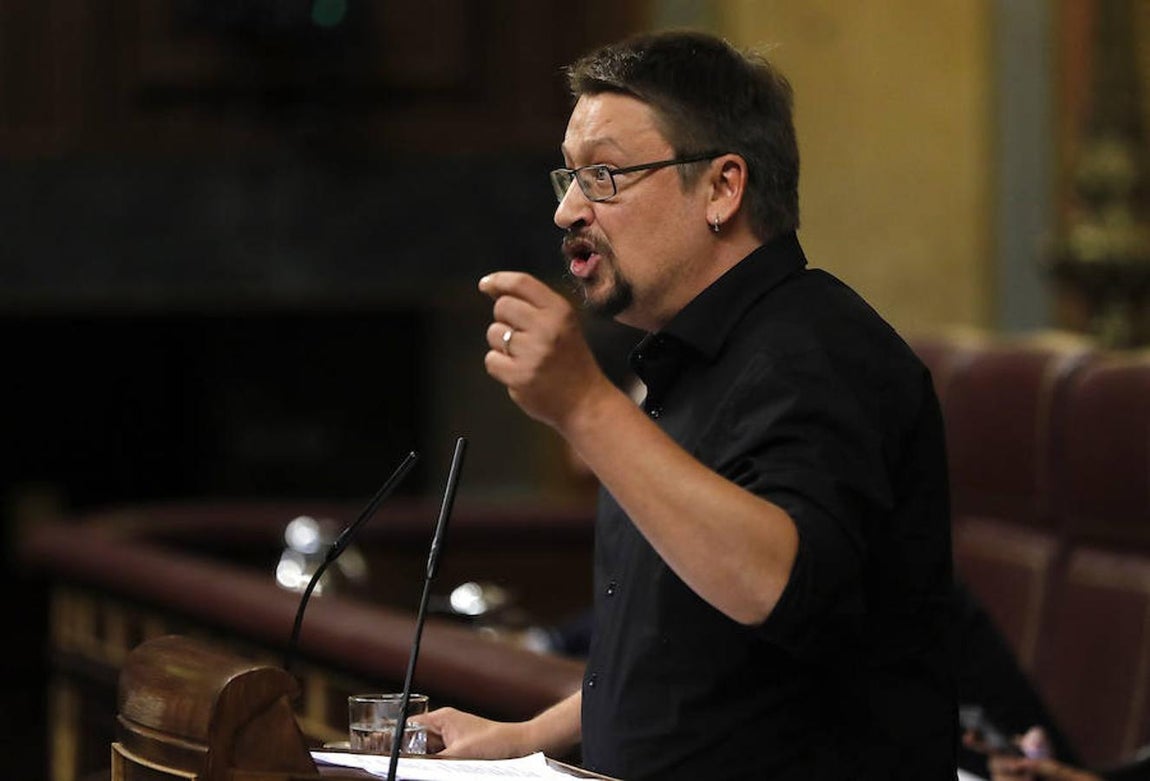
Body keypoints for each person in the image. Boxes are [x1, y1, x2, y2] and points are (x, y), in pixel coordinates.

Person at [417, 29, 958, 779]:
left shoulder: (820, 351)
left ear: (722, 189)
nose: (568, 210)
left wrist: (582, 406)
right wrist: (528, 735)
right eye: (569, 178)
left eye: (604, 174)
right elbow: (689, 652)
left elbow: (774, 584)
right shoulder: (691, 361)